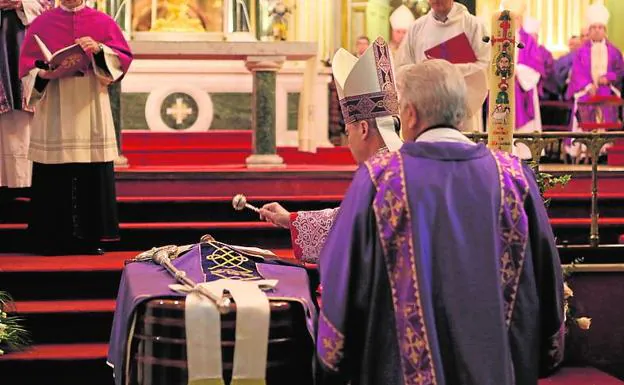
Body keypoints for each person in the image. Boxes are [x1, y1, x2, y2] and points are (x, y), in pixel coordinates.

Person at [315, 59, 564, 385]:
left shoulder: (381, 179)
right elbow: (547, 274)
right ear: (460, 113)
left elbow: (342, 276)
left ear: (411, 114)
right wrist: (546, 352)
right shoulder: (514, 177)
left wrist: (331, 365)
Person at [259, 37, 403, 263]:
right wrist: (290, 219)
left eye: (349, 132)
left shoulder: (377, 173)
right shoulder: (405, 161)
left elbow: (348, 228)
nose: (349, 143)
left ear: (363, 128)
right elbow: (350, 220)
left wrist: (292, 220)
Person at [19, 0, 133, 255]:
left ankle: (89, 237)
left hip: (89, 102)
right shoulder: (42, 23)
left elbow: (121, 60)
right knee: (53, 172)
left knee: (89, 169)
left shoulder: (103, 21)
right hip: (55, 104)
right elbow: (27, 67)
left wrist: (99, 49)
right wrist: (44, 75)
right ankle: (50, 238)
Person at [394, 0, 490, 132]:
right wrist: (424, 71)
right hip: (424, 111)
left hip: (460, 108)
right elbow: (400, 69)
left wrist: (444, 70)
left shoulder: (473, 25)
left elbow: (486, 66)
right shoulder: (417, 28)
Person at [0, 0, 50, 189]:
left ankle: (26, 181)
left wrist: (22, 2)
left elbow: (53, 5)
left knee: (23, 114)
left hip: (26, 38)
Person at [565, 3, 624, 160]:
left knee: (608, 103)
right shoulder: (581, 52)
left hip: (607, 90)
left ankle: (606, 149)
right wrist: (588, 85)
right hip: (587, 92)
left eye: (600, 27)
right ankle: (586, 148)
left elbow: (619, 71)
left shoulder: (614, 51)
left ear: (605, 30)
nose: (597, 30)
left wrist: (608, 78)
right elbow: (577, 73)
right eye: (594, 27)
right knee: (586, 104)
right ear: (589, 31)